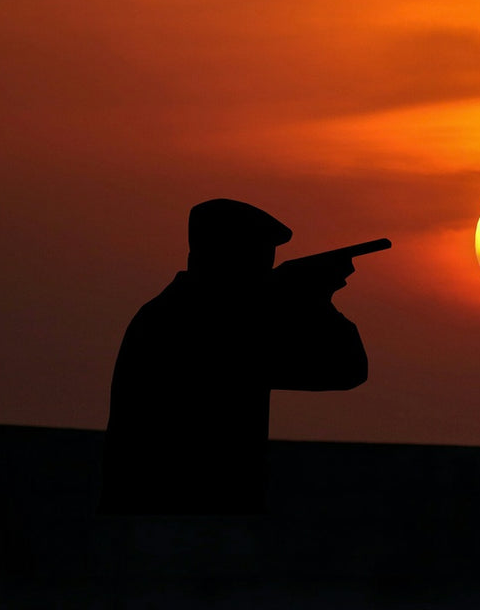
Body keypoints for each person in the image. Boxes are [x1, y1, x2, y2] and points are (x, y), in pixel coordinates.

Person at [100, 199, 369, 514]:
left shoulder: (174, 313)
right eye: (258, 256)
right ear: (230, 255)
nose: (265, 268)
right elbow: (344, 369)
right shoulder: (199, 323)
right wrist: (317, 299)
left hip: (170, 507)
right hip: (184, 511)